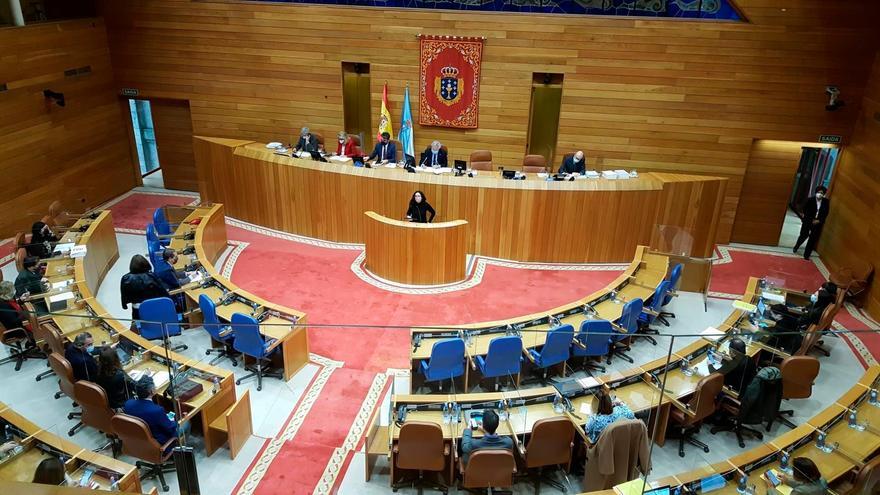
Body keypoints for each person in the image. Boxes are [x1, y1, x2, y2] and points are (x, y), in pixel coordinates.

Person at [124, 375, 189, 451]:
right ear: (152, 391)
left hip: (140, 440)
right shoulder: (156, 411)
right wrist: (176, 421)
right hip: (159, 441)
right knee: (186, 423)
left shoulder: (128, 404)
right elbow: (170, 428)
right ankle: (178, 452)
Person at [120, 254, 171, 321]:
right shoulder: (151, 276)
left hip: (137, 310)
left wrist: (125, 305)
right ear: (146, 264)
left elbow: (124, 294)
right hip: (155, 307)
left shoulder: (126, 278)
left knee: (139, 326)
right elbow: (162, 291)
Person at [793, 186, 830, 260]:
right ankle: (796, 246)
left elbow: (826, 213)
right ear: (816, 193)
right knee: (803, 235)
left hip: (818, 223)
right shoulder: (810, 200)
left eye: (822, 193)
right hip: (808, 221)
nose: (820, 194)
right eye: (818, 192)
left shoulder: (826, 202)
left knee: (812, 239)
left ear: (824, 194)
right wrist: (810, 220)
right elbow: (805, 210)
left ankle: (806, 255)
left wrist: (819, 220)